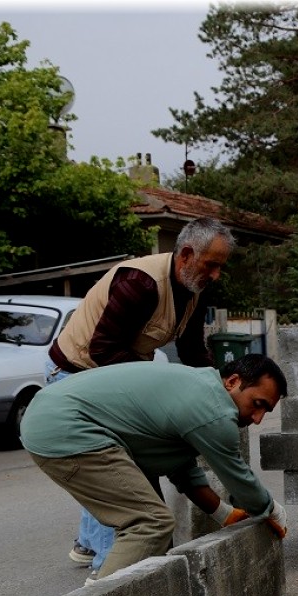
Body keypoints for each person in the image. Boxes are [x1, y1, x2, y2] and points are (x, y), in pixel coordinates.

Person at [46, 217, 235, 577]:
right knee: (115, 469)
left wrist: (219, 388)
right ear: (186, 255)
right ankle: (111, 576)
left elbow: (192, 351)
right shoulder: (141, 283)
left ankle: (88, 543)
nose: (216, 275)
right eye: (211, 265)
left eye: (220, 267)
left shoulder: (193, 288)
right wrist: (155, 390)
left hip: (108, 372)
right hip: (74, 374)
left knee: (108, 464)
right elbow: (103, 349)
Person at [22, 354, 289, 581]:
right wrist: (272, 511)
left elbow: (182, 468)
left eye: (266, 411)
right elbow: (239, 480)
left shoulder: (198, 389)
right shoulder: (215, 412)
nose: (257, 419)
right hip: (67, 426)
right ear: (233, 382)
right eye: (257, 404)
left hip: (52, 414)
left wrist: (224, 514)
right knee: (149, 523)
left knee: (154, 538)